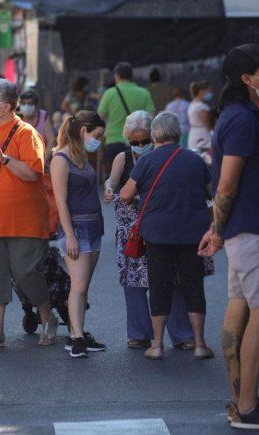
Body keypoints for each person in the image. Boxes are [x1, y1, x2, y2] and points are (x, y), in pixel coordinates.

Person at [198, 43, 259, 429]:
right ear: (247, 77)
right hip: (251, 228)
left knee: (240, 308)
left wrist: (217, 229)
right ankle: (247, 405)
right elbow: (226, 184)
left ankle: (242, 399)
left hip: (242, 228)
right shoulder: (242, 119)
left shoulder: (236, 115)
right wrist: (218, 230)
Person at [120, 111, 214, 361]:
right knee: (193, 288)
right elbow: (210, 193)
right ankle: (200, 344)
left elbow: (126, 195)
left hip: (157, 235)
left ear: (154, 135)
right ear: (178, 133)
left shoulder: (146, 161)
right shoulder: (195, 161)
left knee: (160, 288)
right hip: (192, 234)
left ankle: (157, 345)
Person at [0, 79, 57, 350]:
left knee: (24, 274)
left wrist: (6, 160)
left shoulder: (26, 133)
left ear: (7, 106)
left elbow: (33, 173)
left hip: (25, 220)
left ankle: (47, 316)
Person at [104, 111, 196, 349]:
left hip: (159, 226)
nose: (141, 146)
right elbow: (113, 182)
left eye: (145, 140)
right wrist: (108, 187)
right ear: (128, 139)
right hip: (132, 231)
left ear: (154, 136)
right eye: (135, 142)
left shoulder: (161, 156)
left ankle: (182, 334)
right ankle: (140, 333)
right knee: (133, 283)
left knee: (172, 281)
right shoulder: (122, 158)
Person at [50, 110, 107, 358]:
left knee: (83, 287)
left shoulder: (82, 156)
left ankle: (79, 332)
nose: (99, 140)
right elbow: (61, 202)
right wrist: (70, 236)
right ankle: (75, 338)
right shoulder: (61, 159)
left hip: (94, 227)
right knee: (79, 285)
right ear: (83, 131)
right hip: (76, 230)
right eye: (97, 135)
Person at [97, 62, 156, 172]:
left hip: (114, 140)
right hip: (139, 143)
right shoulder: (144, 93)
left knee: (116, 179)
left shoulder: (109, 93)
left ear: (117, 76)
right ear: (131, 76)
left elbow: (100, 118)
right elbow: (152, 117)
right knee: (140, 177)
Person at [19, 89, 56, 155]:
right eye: (24, 103)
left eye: (30, 104)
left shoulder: (43, 116)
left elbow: (51, 140)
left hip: (41, 157)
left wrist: (43, 160)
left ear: (35, 106)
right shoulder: (17, 118)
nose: (26, 106)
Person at [187, 80, 215, 164]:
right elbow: (208, 126)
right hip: (203, 137)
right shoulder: (202, 107)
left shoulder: (192, 104)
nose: (211, 93)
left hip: (193, 135)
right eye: (209, 91)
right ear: (201, 91)